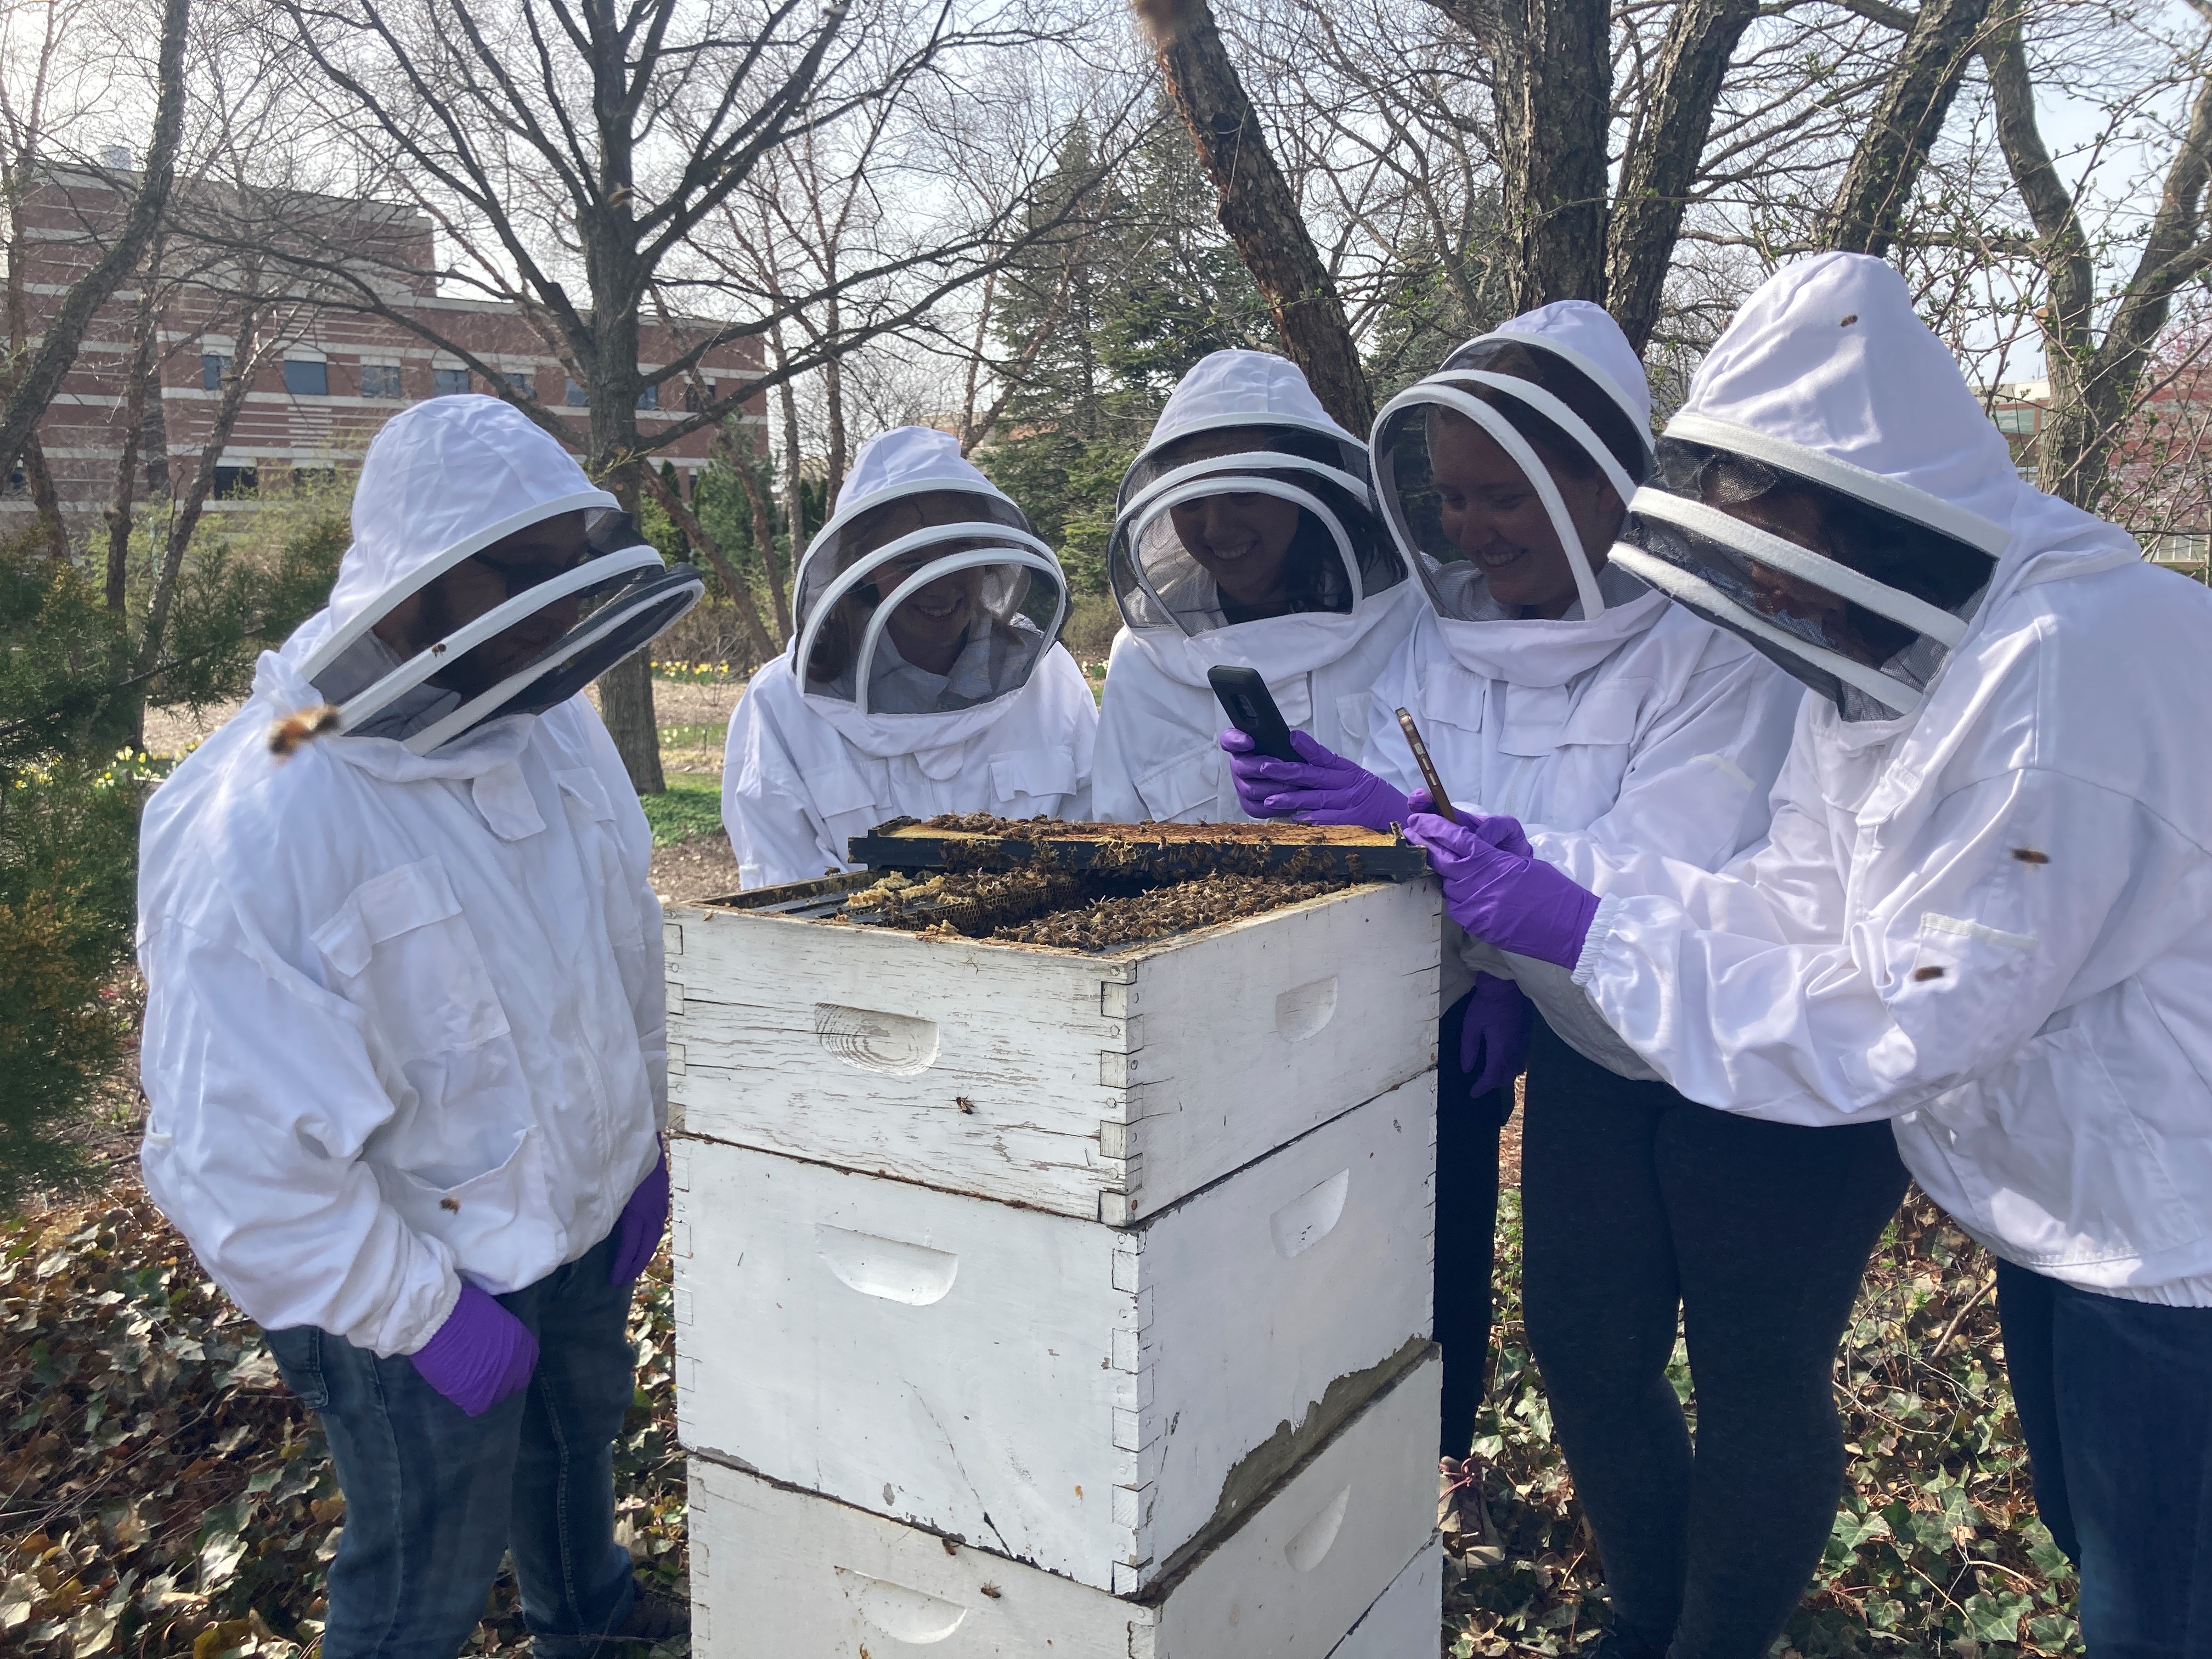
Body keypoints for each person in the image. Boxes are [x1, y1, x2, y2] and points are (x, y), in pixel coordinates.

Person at [1415, 251, 2212, 1651]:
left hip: (2173, 1237)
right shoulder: (1914, 662)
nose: (1769, 599)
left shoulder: (2064, 674)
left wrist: (1587, 931)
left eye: (1773, 550)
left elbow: (1900, 1016)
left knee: (2161, 1605)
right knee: (2111, 1557)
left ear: (1855, 513)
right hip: (2070, 1211)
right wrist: (1545, 878)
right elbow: (1797, 899)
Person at [1232, 305, 1887, 1656]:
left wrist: (1415, 831)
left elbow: (1667, 872)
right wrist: (1489, 971)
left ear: (1604, 483)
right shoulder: (1440, 631)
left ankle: (1718, 1642)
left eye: (1506, 494)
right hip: (1593, 1050)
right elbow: (1449, 810)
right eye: (1454, 494)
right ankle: (1646, 1614)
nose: (1473, 527)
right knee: (1587, 1357)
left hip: (1767, 1058)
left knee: (1759, 1380)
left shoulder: (1718, 638)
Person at [137, 395, 701, 1657]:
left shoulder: (553, 729)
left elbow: (619, 959)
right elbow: (237, 1159)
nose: (566, 610)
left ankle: (593, 1624)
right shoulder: (266, 815)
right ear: (420, 589)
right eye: (535, 575)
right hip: (398, 1286)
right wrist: (417, 1316)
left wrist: (638, 1156)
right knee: (420, 1569)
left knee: (572, 1462)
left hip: (571, 1226)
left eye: (576, 571)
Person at [721, 426, 1095, 886]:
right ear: (861, 567)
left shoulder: (1049, 678)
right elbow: (781, 887)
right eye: (911, 558)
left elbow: (1096, 840)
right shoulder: (780, 704)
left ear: (987, 551)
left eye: (958, 549)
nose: (939, 582)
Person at [1091, 348, 1419, 821]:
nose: (1216, 529)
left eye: (1243, 494)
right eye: (1190, 504)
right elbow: (1117, 830)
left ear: (1305, 487)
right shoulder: (1143, 657)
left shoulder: (1406, 617)